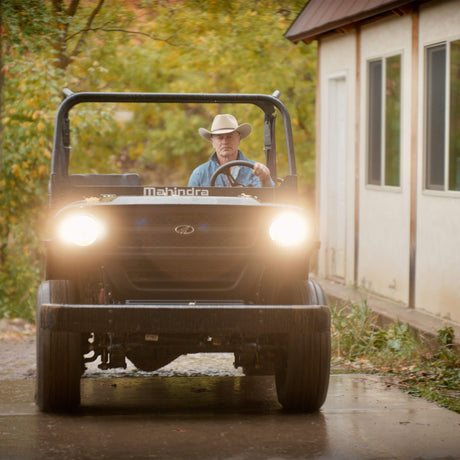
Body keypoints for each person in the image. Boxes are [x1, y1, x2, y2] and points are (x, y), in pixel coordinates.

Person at [188, 114, 273, 187]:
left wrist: (265, 180)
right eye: (220, 138)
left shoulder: (256, 171)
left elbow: (271, 200)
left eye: (230, 137)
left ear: (239, 139)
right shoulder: (199, 174)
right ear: (213, 142)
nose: (225, 142)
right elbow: (190, 204)